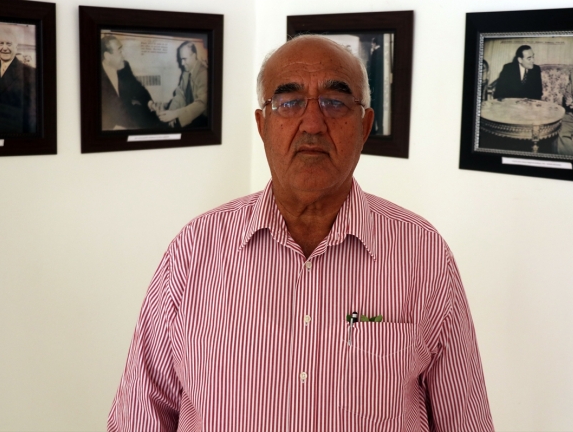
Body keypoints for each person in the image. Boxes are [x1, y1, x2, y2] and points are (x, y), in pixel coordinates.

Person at [108, 35, 494, 432]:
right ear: (262, 125)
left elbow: (465, 420)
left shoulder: (423, 253)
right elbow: (140, 415)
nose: (312, 124)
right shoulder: (194, 250)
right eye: (289, 102)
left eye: (335, 102)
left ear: (364, 126)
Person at [100, 35, 161, 131]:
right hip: (111, 124)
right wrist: (112, 126)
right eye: (120, 51)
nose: (123, 55)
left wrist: (150, 103)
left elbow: (137, 88)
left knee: (157, 123)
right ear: (107, 56)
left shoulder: (124, 66)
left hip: (129, 116)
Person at [0, 27, 36, 134]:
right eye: (1, 43)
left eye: (9, 43)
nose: (4, 48)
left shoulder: (29, 72)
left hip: (14, 132)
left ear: (16, 46)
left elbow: (32, 111)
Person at [152, 41, 208, 128]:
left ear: (194, 56)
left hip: (203, 118)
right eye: (181, 59)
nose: (182, 63)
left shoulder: (204, 74)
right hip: (189, 114)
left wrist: (175, 114)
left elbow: (201, 104)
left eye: (184, 59)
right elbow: (180, 94)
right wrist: (171, 112)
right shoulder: (186, 73)